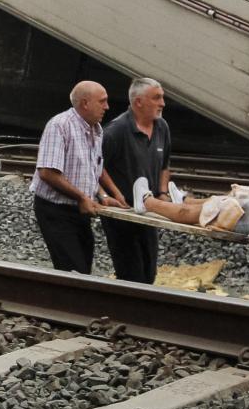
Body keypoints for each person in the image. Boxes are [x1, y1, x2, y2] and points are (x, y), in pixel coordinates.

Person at [29, 81, 125, 274]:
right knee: (73, 270)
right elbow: (47, 172)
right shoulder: (60, 125)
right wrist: (82, 197)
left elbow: (91, 170)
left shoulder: (95, 129)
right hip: (56, 210)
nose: (107, 107)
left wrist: (103, 196)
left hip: (79, 210)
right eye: (102, 101)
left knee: (82, 269)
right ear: (85, 103)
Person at [101, 78, 171, 284]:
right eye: (157, 98)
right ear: (138, 102)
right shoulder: (115, 131)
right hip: (124, 212)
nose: (163, 103)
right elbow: (96, 166)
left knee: (149, 271)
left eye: (162, 98)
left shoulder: (162, 127)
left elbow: (165, 164)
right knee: (131, 272)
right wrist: (114, 194)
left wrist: (163, 191)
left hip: (149, 210)